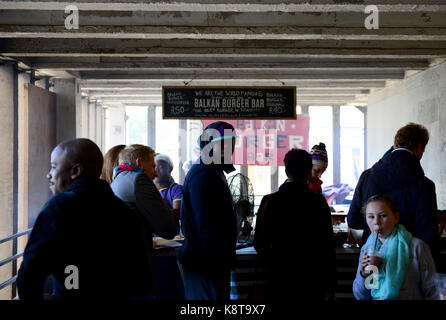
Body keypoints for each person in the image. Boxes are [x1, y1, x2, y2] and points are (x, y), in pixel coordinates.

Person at [17, 138, 153, 300]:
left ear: (76, 171)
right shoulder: (123, 210)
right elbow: (140, 275)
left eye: (54, 167)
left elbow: (30, 273)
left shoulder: (60, 207)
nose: (49, 175)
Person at [346, 123, 439, 265]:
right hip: (408, 264)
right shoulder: (424, 185)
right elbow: (428, 235)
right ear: (419, 147)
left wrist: (375, 227)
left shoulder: (367, 176)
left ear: (395, 144)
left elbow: (353, 219)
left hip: (372, 260)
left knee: (373, 287)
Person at [254, 148, 336, 301]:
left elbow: (259, 243)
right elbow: (327, 247)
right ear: (308, 171)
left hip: (278, 280)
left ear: (286, 170)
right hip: (311, 282)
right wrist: (330, 287)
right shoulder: (318, 201)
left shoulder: (269, 201)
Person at [178, 121, 237, 300]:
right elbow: (207, 225)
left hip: (209, 261)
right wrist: (218, 266)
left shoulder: (212, 170)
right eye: (226, 144)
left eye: (232, 143)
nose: (231, 149)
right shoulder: (204, 174)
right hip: (206, 263)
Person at [353, 194, 439, 300]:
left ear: (396, 217)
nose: (376, 222)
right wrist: (364, 274)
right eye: (371, 217)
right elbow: (361, 296)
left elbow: (432, 291)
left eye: (383, 215)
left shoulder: (416, 247)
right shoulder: (367, 250)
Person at [111, 144, 178, 239]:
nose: (155, 174)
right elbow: (167, 229)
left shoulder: (117, 179)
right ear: (139, 163)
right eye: (153, 167)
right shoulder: (140, 180)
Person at [154, 153, 182, 220]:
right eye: (154, 167)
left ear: (170, 169)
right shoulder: (149, 189)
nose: (156, 170)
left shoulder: (176, 189)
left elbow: (177, 213)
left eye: (161, 167)